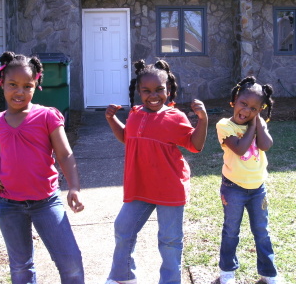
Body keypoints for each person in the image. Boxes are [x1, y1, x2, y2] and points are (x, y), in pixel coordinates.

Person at [0, 51, 85, 284]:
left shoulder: (47, 117)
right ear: (2, 84)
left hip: (46, 202)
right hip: (8, 205)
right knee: (21, 267)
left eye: (28, 86)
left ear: (36, 87)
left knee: (71, 262)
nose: (20, 91)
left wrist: (74, 187)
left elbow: (65, 154)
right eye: (13, 84)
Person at [104, 59, 208, 284]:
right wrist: (112, 119)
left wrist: (203, 120)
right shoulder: (135, 113)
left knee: (169, 241)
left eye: (159, 89)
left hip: (169, 190)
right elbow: (127, 138)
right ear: (139, 92)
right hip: (140, 188)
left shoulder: (175, 117)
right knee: (123, 228)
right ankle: (123, 277)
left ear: (168, 90)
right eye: (146, 91)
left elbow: (195, 145)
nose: (154, 95)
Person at [216, 76, 282, 284]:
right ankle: (227, 272)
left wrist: (258, 122)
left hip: (257, 189)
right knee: (231, 230)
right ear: (234, 101)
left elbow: (266, 145)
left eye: (254, 108)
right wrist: (254, 124)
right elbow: (241, 148)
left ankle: (268, 274)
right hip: (233, 188)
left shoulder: (258, 122)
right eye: (243, 104)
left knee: (262, 232)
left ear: (260, 110)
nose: (247, 110)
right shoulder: (224, 125)